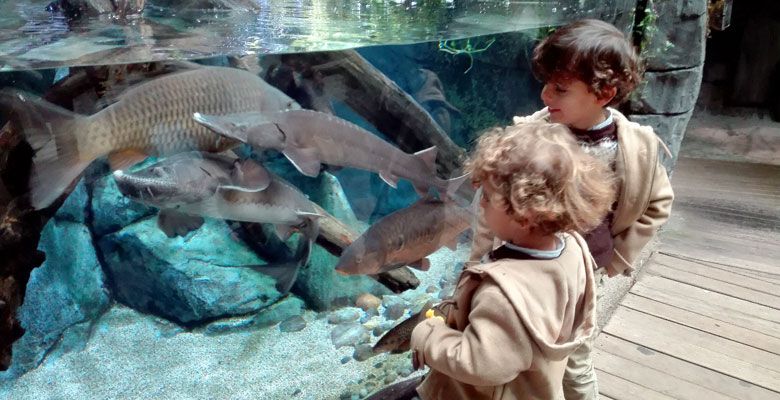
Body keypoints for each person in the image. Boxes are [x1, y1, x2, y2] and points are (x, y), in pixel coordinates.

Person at [409, 122, 616, 400]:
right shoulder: (573, 248)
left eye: (488, 197)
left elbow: (480, 364)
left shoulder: (502, 295)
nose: (481, 203)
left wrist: (428, 335)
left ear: (525, 214)